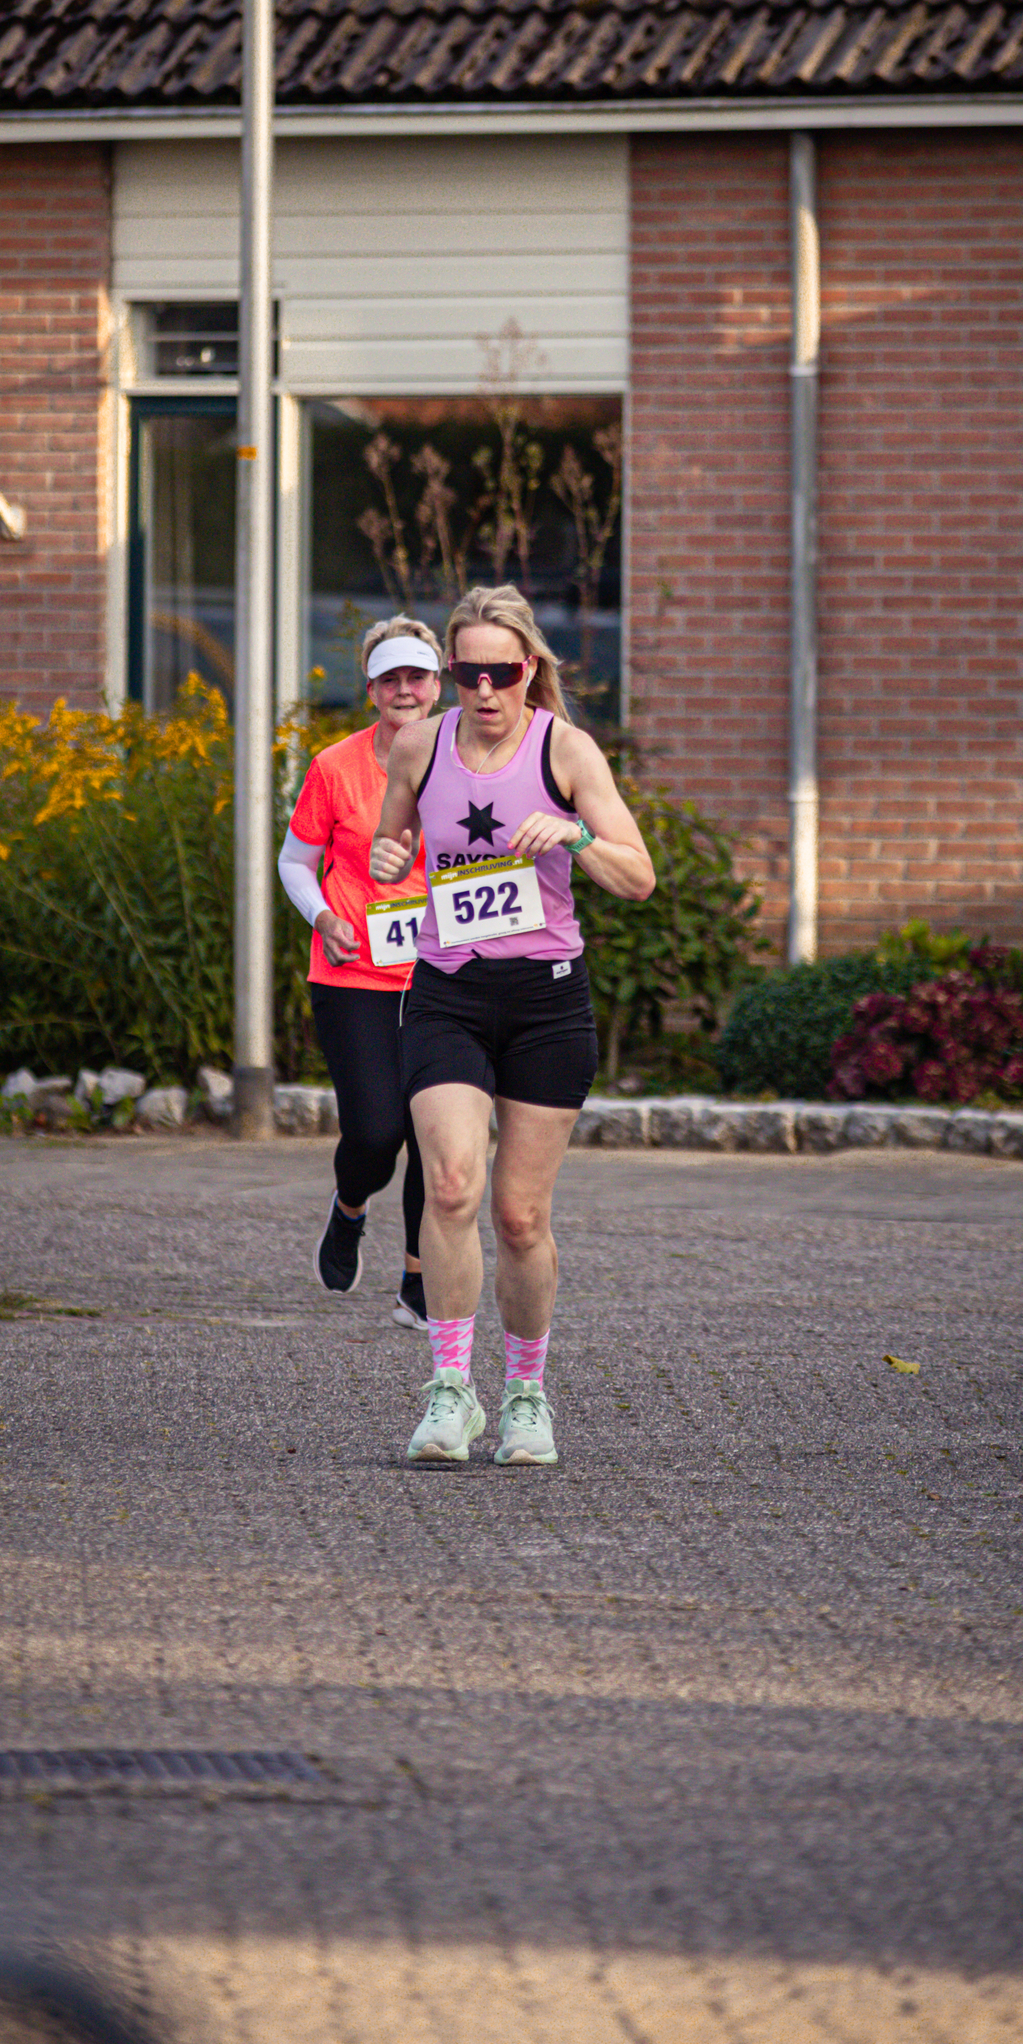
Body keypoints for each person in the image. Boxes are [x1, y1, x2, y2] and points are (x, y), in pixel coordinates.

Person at [370, 582, 655, 1466]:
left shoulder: (565, 751)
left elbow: (639, 876)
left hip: (545, 1002)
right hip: (449, 991)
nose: (484, 691)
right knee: (450, 1185)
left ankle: (527, 1395)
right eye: (467, 672)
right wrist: (390, 857)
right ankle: (451, 1393)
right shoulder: (419, 745)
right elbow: (394, 850)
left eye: (501, 673)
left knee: (520, 1216)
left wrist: (570, 836)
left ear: (530, 670)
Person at [279, 617, 443, 1324]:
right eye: (390, 679)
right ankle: (349, 1208)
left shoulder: (470, 762)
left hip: (445, 973)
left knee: (438, 1133)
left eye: (418, 677)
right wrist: (322, 917)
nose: (404, 691)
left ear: (438, 684)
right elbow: (294, 862)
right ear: (371, 688)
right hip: (354, 976)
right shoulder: (335, 766)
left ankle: (418, 1279)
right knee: (377, 1132)